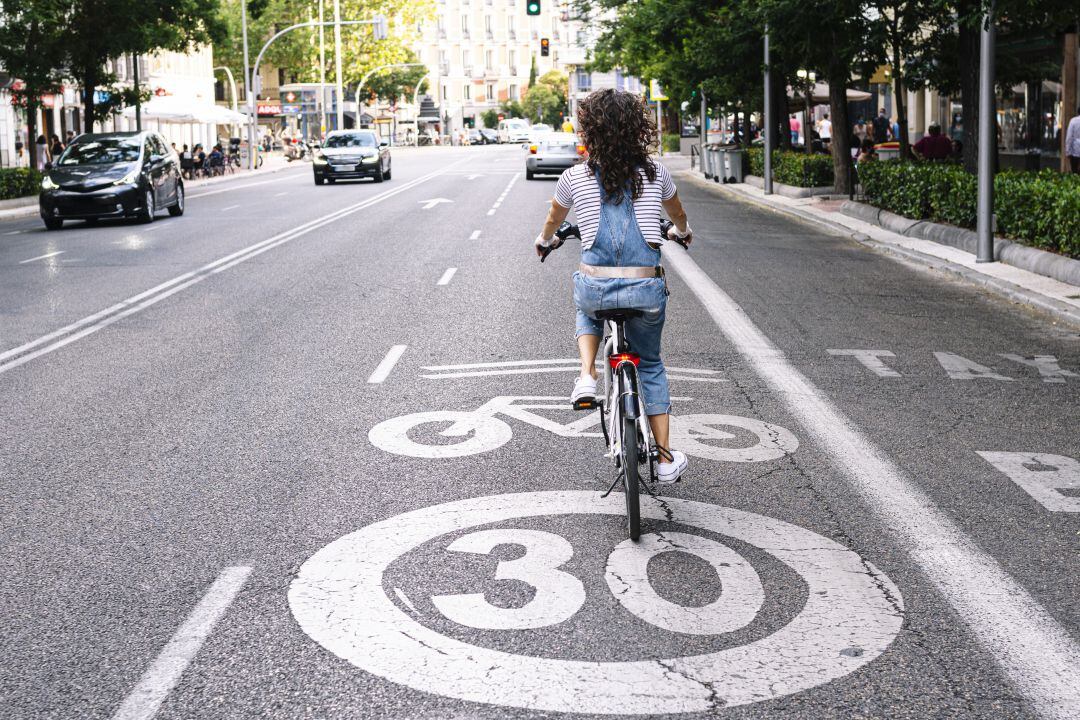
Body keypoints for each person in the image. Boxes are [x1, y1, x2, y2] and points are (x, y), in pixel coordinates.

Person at [534, 89, 692, 485]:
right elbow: (678, 216)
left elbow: (554, 218)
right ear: (637, 129)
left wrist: (545, 240)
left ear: (590, 130)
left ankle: (587, 374)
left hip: (598, 289)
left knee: (584, 299)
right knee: (651, 364)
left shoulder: (574, 176)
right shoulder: (656, 173)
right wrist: (681, 232)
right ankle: (666, 458)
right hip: (645, 290)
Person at [1066, 105, 1080, 174]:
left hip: (1075, 152)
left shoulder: (1073, 121)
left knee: (1075, 173)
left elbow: (1069, 137)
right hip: (1075, 151)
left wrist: (1068, 152)